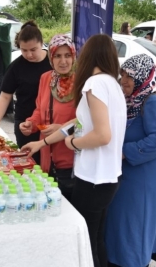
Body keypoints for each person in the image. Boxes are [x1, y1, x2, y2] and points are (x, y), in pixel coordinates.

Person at [22, 34, 126, 267]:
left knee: (84, 244)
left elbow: (101, 135)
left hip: (92, 178)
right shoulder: (112, 84)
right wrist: (42, 144)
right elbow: (77, 124)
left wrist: (73, 144)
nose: (67, 60)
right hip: (108, 177)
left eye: (70, 55)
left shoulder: (94, 84)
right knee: (96, 239)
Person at [106, 54, 156, 267]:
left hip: (148, 179)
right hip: (137, 175)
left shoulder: (155, 100)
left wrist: (123, 152)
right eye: (122, 75)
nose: (124, 81)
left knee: (136, 231)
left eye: (130, 76)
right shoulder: (135, 100)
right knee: (129, 229)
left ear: (143, 76)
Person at [19, 34, 77, 200]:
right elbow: (40, 109)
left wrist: (60, 128)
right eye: (57, 56)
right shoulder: (46, 78)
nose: (63, 61)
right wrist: (31, 122)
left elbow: (84, 121)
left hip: (70, 158)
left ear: (74, 56)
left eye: (67, 55)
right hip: (46, 155)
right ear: (51, 57)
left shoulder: (82, 82)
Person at [0, 21, 52, 165]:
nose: (29, 54)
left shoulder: (53, 62)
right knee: (28, 163)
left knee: (49, 164)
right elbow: (5, 95)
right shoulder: (16, 67)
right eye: (24, 50)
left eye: (33, 49)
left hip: (50, 123)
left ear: (42, 43)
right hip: (25, 123)